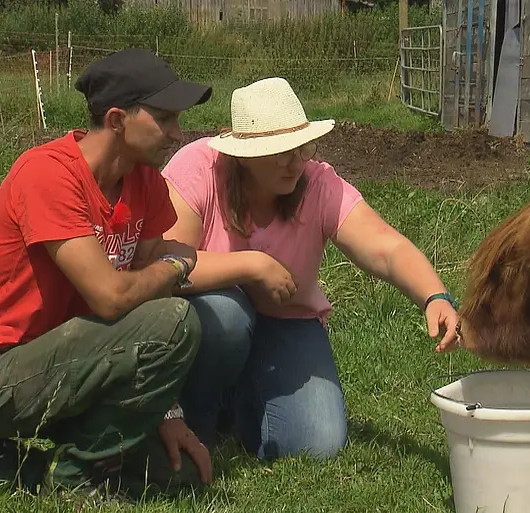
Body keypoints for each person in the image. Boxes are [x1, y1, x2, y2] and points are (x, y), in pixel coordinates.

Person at [0, 48, 215, 502]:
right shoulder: (48, 174)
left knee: (173, 474)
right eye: (164, 118)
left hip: (68, 361)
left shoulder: (145, 181)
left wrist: (168, 412)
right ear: (118, 119)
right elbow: (113, 298)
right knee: (176, 319)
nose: (177, 133)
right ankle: (75, 479)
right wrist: (177, 264)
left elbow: (142, 291)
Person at [160, 77, 461, 462]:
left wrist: (434, 296)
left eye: (302, 147)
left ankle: (239, 404)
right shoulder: (199, 168)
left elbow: (385, 247)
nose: (296, 161)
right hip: (215, 317)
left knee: (317, 441)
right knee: (228, 314)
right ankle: (198, 416)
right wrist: (252, 266)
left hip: (286, 320)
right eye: (281, 152)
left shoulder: (317, 183)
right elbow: (167, 265)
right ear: (244, 156)